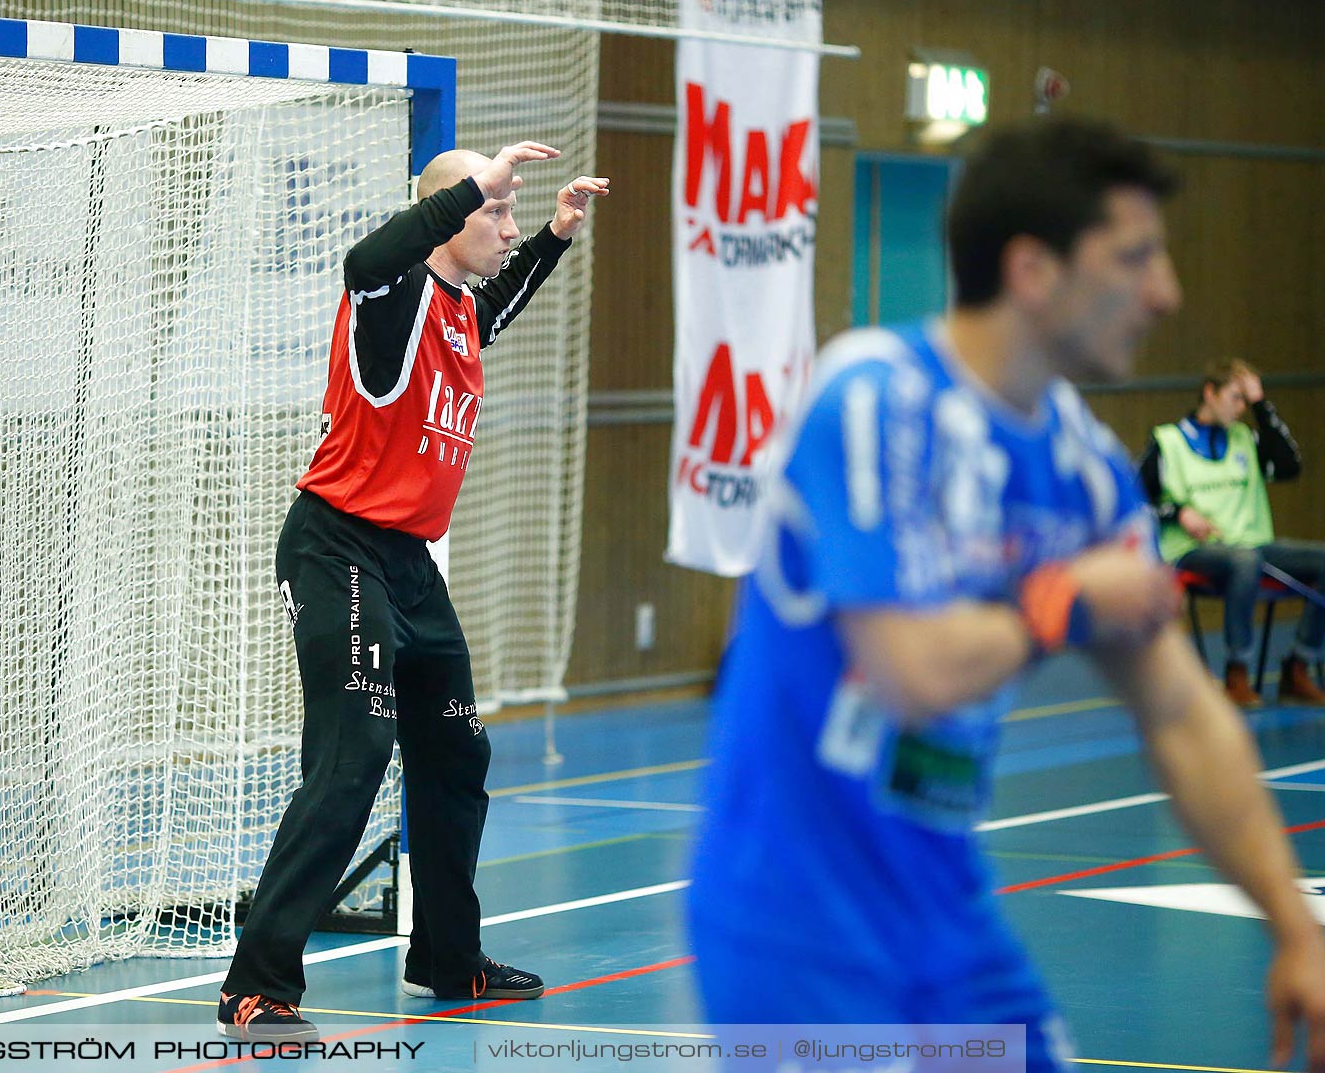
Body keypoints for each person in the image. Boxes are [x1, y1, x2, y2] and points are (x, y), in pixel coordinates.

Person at [688, 117, 1325, 1073]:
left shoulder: (1085, 471)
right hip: (796, 927)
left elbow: (1185, 710)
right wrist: (1065, 596)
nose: (1165, 293)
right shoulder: (875, 398)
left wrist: (1295, 927)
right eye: (1136, 258)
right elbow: (908, 671)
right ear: (1034, 271)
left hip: (948, 914)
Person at [216, 142, 609, 1041]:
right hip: (336, 548)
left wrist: (553, 236)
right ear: (448, 215)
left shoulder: (460, 312)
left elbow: (500, 300)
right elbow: (366, 261)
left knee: (456, 753)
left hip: (408, 564)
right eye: (494, 215)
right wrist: (476, 182)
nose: (506, 229)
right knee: (355, 755)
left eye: (511, 216)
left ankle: (446, 956)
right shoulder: (387, 303)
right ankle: (257, 983)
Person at [1139, 358, 1324, 707]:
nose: (1242, 408)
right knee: (1244, 561)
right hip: (1194, 553)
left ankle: (1298, 666)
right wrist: (1178, 513)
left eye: (1246, 401)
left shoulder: (1246, 438)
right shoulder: (1168, 441)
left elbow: (1289, 466)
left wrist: (1261, 405)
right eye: (1236, 398)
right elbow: (1133, 500)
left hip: (1253, 545)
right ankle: (1237, 671)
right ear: (1210, 393)